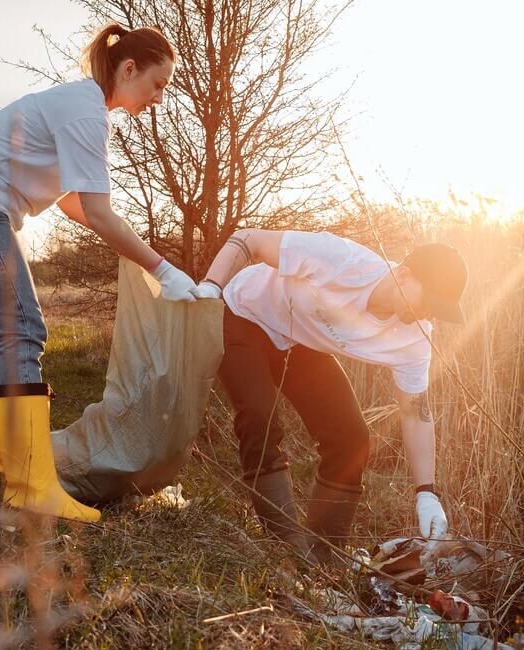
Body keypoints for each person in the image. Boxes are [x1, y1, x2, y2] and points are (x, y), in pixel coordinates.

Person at [0, 24, 205, 523]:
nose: (159, 99)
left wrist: (134, 252)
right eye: (157, 84)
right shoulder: (85, 113)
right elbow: (98, 212)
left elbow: (78, 204)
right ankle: (31, 485)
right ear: (128, 69)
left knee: (4, 334)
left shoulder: (84, 107)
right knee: (22, 330)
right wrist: (161, 267)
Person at [196, 229, 466, 563]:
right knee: (259, 416)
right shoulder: (343, 260)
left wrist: (427, 492)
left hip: (299, 341)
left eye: (438, 309)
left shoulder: (415, 339)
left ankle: (323, 555)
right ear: (404, 275)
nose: (428, 313)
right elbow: (249, 238)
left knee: (352, 438)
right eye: (429, 300)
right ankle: (286, 549)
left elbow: (415, 412)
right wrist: (211, 285)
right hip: (245, 314)